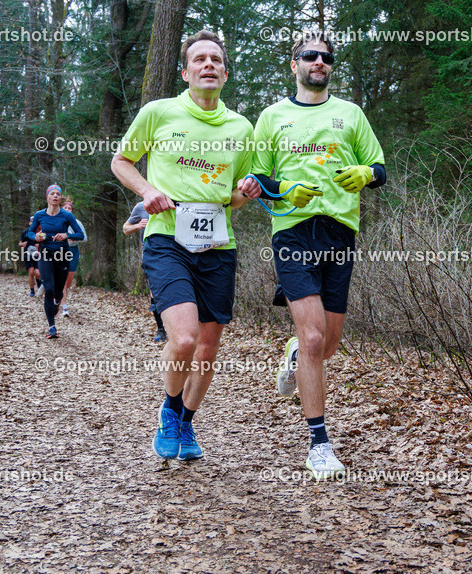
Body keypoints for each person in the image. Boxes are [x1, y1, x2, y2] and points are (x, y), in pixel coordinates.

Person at [111, 29, 261, 461]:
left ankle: (188, 423)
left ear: (226, 74)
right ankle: (170, 410)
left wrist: (246, 194)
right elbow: (121, 161)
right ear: (185, 72)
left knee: (209, 347)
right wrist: (146, 192)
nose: (208, 64)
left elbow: (236, 191)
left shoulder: (240, 127)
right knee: (183, 340)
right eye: (200, 60)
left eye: (216, 59)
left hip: (218, 243)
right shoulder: (158, 114)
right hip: (166, 238)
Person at [251, 30, 386, 480]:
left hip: (340, 232)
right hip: (292, 232)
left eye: (326, 57)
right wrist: (285, 189)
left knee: (325, 345)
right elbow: (257, 181)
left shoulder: (350, 114)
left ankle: (294, 355)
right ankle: (319, 444)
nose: (319, 62)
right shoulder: (272, 117)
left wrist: (367, 173)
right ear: (294, 65)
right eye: (310, 56)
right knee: (313, 339)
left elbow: (380, 167)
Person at [26, 185, 85, 338]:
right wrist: (36, 237)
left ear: (60, 198)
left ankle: (58, 301)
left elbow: (80, 234)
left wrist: (66, 235)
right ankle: (52, 327)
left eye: (58, 194)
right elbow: (30, 233)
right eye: (52, 194)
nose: (55, 196)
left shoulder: (66, 215)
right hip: (46, 254)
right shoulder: (39, 215)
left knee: (58, 291)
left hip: (63, 256)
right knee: (49, 288)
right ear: (47, 197)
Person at [123, 200, 167, 342]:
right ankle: (161, 329)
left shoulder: (175, 201)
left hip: (175, 254)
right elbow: (125, 228)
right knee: (155, 292)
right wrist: (138, 225)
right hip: (150, 255)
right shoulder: (141, 206)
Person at [60, 198, 87, 317]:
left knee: (68, 282)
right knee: (62, 280)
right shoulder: (58, 220)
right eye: (65, 208)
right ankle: (64, 306)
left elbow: (85, 238)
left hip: (73, 251)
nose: (67, 210)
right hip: (60, 251)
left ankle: (60, 296)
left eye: (69, 208)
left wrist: (72, 237)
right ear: (61, 209)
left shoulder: (77, 222)